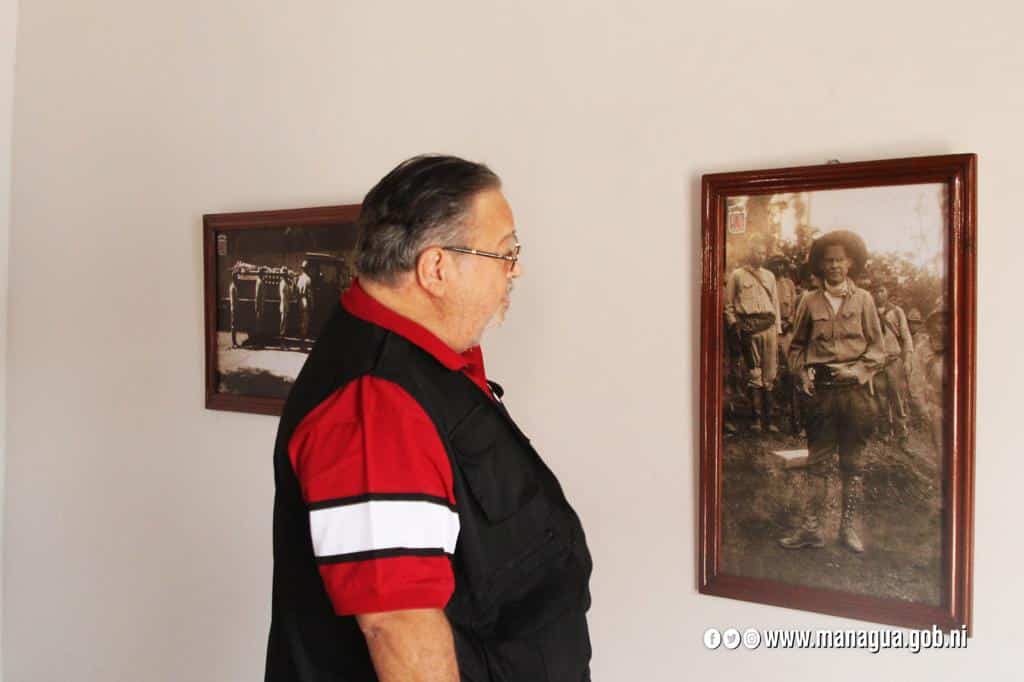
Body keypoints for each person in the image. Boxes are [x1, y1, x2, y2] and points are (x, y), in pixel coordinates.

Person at [265, 155, 594, 682]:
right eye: (505, 252)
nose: (515, 269)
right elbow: (399, 628)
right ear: (436, 268)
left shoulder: (420, 367)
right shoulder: (374, 404)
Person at [781, 230, 886, 553]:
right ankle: (812, 530)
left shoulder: (864, 300)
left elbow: (878, 349)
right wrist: (802, 374)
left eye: (840, 260)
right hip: (822, 394)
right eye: (829, 261)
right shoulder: (808, 301)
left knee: (853, 463)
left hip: (856, 393)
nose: (835, 266)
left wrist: (856, 371)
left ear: (850, 263)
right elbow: (795, 347)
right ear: (820, 265)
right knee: (818, 463)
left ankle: (847, 529)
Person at [724, 236, 783, 433]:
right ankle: (756, 419)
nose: (761, 256)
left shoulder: (769, 276)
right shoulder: (737, 275)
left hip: (768, 326)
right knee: (754, 373)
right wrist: (735, 326)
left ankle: (770, 419)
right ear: (750, 253)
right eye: (757, 252)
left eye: (763, 253)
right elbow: (729, 305)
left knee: (770, 373)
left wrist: (778, 330)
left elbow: (775, 304)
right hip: (749, 327)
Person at [870, 282, 914, 452]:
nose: (878, 294)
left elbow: (906, 336)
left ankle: (902, 435)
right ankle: (884, 433)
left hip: (894, 360)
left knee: (897, 399)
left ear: (887, 292)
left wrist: (908, 359)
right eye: (875, 291)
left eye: (881, 290)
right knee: (880, 399)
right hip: (877, 362)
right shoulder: (869, 312)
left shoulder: (896, 311)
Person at [295, 260, 314, 339]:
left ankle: (300, 333)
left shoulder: (300, 278)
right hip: (305, 300)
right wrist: (312, 304)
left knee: (300, 318)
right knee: (305, 319)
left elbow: (296, 290)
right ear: (308, 269)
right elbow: (309, 294)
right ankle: (303, 335)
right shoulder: (308, 279)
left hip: (300, 300)